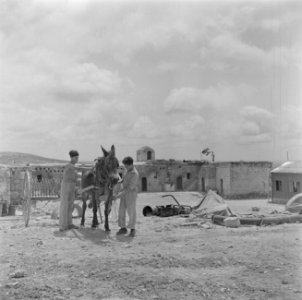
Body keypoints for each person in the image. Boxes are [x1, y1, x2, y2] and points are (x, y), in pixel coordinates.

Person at [114, 156, 139, 237]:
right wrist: (119, 181)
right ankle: (123, 228)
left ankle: (132, 229)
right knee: (121, 211)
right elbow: (124, 180)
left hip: (131, 194)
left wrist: (118, 195)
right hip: (124, 193)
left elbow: (129, 188)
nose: (125, 167)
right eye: (125, 166)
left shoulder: (134, 174)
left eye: (127, 166)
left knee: (131, 212)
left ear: (131, 164)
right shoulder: (126, 170)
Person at [59, 150, 79, 231]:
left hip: (72, 187)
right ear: (72, 157)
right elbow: (80, 168)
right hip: (66, 187)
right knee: (65, 206)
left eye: (78, 157)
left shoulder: (74, 166)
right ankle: (63, 226)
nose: (77, 159)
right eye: (76, 157)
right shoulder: (69, 165)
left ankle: (69, 224)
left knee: (70, 206)